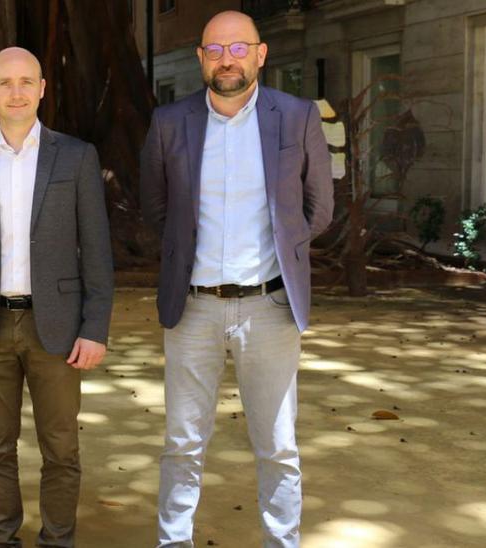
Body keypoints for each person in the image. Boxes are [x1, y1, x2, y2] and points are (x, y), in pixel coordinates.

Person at [139, 10, 334, 548]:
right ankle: (174, 542)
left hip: (270, 307)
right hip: (192, 307)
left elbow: (317, 210)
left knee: (278, 446)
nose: (228, 59)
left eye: (238, 48)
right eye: (216, 50)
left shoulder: (296, 117)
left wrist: (281, 259)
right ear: (202, 58)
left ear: (261, 54)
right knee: (182, 443)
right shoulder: (169, 122)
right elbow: (157, 208)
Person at [0, 47, 115, 547]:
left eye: (26, 82)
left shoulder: (77, 156)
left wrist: (94, 327)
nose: (16, 92)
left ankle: (57, 540)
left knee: (61, 448)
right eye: (5, 82)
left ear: (42, 88)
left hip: (57, 327)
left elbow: (97, 251)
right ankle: (2, 539)